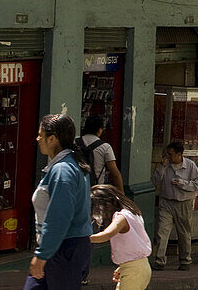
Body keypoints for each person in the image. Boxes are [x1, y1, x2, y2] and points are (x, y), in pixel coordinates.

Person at [27, 114, 93, 290]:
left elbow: (59, 216)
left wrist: (42, 255)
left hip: (64, 249)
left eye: (41, 135)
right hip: (59, 247)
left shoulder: (63, 169)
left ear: (52, 138)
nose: (38, 139)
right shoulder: (66, 166)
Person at [89, 185, 152, 290]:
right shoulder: (131, 213)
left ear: (106, 205)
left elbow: (107, 234)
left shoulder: (122, 217)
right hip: (136, 266)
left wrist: (86, 238)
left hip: (134, 269)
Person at [151, 141, 198, 271]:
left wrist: (183, 183)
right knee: (162, 231)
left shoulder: (190, 166)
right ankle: (159, 260)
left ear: (179, 154)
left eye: (171, 154)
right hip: (167, 201)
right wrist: (161, 167)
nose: (169, 157)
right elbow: (155, 181)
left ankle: (185, 260)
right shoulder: (165, 165)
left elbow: (197, 184)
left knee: (183, 233)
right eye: (168, 154)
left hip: (183, 202)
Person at [76, 115, 124, 191]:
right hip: (96, 191)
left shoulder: (74, 143)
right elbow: (115, 173)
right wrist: (122, 195)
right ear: (99, 130)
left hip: (77, 189)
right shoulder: (105, 147)